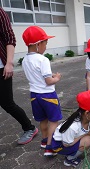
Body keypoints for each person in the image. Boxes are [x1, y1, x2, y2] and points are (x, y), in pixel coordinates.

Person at [22, 26, 62, 156]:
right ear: (38, 44)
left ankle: (45, 141)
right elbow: (48, 81)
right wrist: (56, 78)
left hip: (34, 96)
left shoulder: (25, 60)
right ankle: (50, 147)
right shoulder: (43, 59)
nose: (46, 46)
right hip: (48, 95)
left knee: (43, 120)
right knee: (54, 121)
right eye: (45, 43)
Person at [0, 7, 38, 145]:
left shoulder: (0, 12)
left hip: (1, 68)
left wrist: (9, 63)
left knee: (7, 103)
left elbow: (9, 37)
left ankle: (29, 128)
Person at [51, 90, 90, 167]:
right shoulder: (73, 126)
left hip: (71, 138)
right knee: (87, 140)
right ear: (87, 113)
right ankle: (69, 159)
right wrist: (84, 135)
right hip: (61, 145)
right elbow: (67, 144)